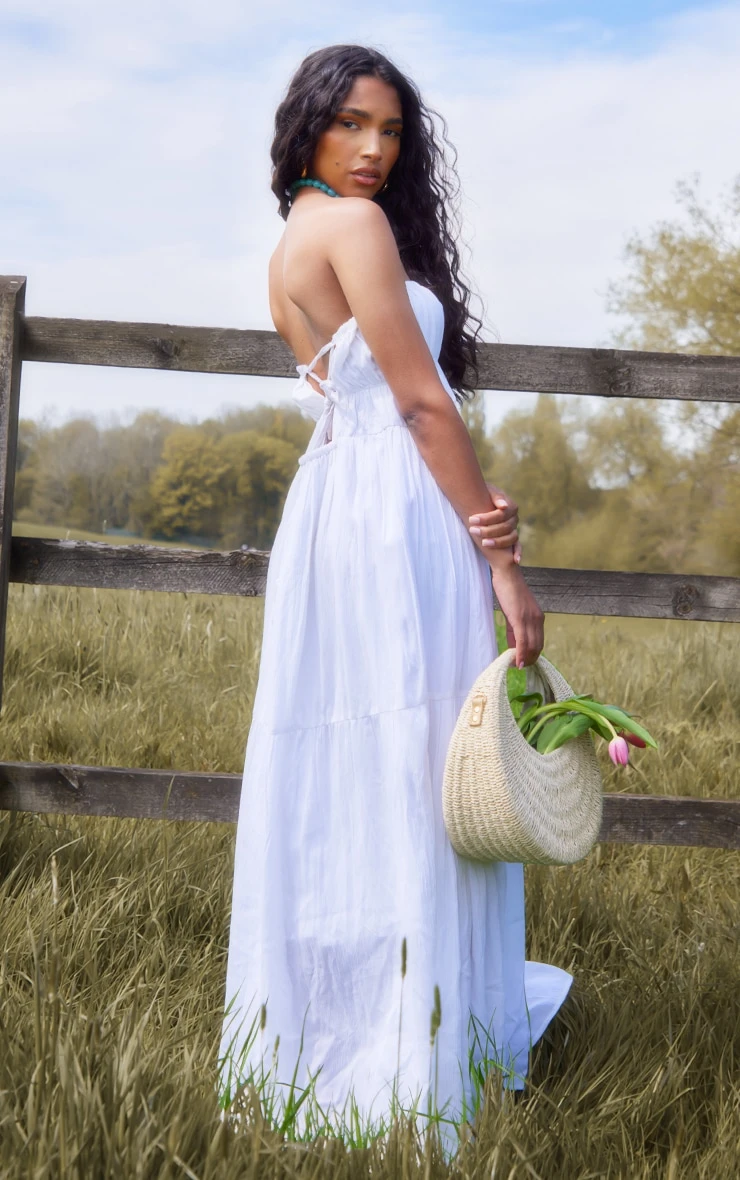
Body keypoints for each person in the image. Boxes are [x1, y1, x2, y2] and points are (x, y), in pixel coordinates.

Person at [218, 43, 572, 1158]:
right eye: (351, 124)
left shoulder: (287, 247)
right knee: (421, 757)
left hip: (335, 511)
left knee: (350, 766)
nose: (373, 150)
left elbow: (356, 398)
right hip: (395, 508)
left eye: (391, 132)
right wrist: (500, 554)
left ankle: (332, 1040)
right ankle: (419, 1054)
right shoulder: (356, 226)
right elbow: (417, 403)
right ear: (308, 125)